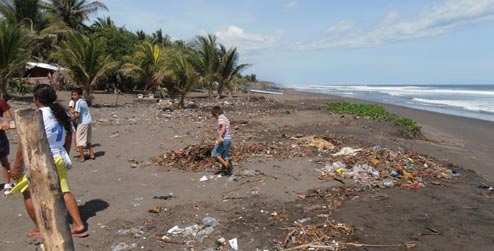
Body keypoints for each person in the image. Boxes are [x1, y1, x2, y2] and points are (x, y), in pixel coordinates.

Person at [9, 84, 88, 238]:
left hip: (41, 158)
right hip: (59, 155)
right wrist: (64, 151)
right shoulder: (60, 113)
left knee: (27, 192)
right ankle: (78, 224)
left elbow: (24, 144)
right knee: (63, 190)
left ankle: (39, 227)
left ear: (36, 98)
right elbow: (70, 135)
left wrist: (17, 167)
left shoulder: (36, 114)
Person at [70, 88, 94, 162]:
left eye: (75, 95)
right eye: (72, 95)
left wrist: (71, 119)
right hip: (89, 122)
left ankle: (82, 157)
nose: (73, 96)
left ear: (80, 95)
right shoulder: (84, 101)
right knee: (88, 139)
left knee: (79, 140)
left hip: (83, 122)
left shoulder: (78, 103)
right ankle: (92, 154)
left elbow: (78, 115)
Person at [211, 106, 233, 175]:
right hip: (228, 139)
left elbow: (223, 126)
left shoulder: (220, 117)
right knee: (225, 155)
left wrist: (220, 136)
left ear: (217, 113)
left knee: (215, 153)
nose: (215, 117)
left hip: (224, 139)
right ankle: (227, 171)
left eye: (214, 115)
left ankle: (227, 166)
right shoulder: (225, 118)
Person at [0, 98, 13, 195]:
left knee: (3, 159)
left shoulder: (0, 102)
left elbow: (9, 117)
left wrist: (5, 123)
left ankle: (7, 184)